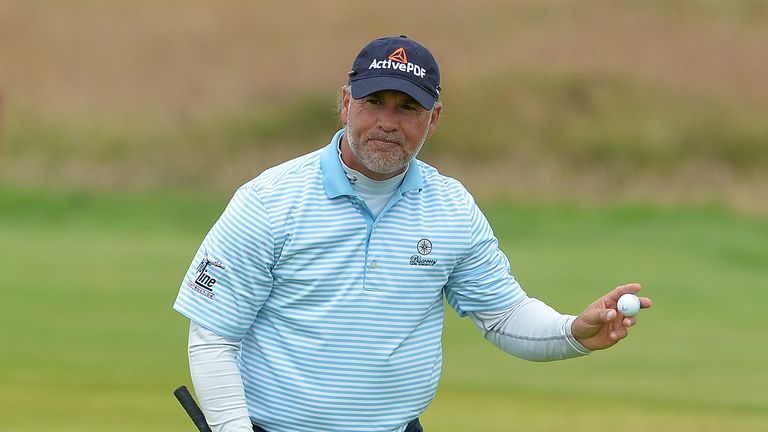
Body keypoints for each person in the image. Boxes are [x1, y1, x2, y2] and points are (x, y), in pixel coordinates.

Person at [173, 35, 652, 432]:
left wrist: (572, 331)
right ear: (345, 104)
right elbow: (213, 338)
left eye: (407, 108)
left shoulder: (451, 208)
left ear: (433, 119)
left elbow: (504, 316)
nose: (387, 122)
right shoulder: (269, 201)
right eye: (373, 103)